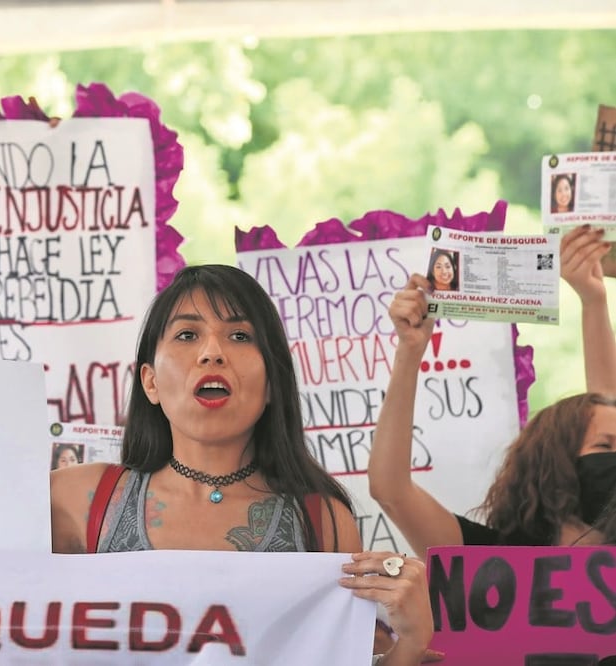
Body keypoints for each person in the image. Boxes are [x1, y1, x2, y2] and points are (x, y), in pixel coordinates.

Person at [50, 264, 434, 665]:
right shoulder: (75, 501)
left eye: (239, 336)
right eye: (187, 334)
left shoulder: (322, 521)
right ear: (150, 382)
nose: (212, 351)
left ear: (271, 383)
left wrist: (409, 643)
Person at [369, 227, 616, 551]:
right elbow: (391, 490)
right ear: (556, 466)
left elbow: (606, 406)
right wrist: (409, 351)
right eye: (605, 448)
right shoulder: (495, 557)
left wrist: (593, 301)